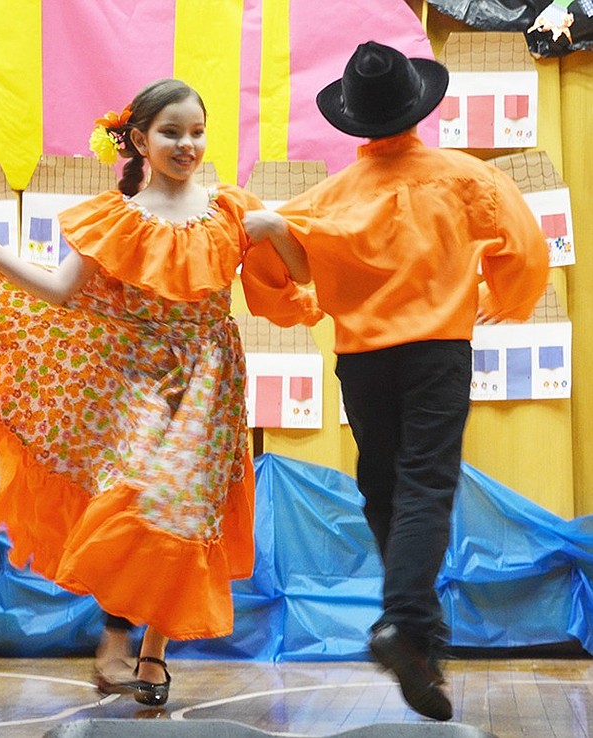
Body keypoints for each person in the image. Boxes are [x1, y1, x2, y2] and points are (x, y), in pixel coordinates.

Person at [0, 78, 321, 705]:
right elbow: (57, 292)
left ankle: (150, 654)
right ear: (139, 140)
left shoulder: (233, 211)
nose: (187, 144)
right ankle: (116, 634)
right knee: (138, 502)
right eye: (171, 132)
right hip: (138, 382)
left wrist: (274, 226)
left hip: (212, 383)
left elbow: (301, 269)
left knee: (188, 517)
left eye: (197, 132)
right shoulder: (114, 219)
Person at [243, 42, 549, 721]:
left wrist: (296, 297)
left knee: (381, 486)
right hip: (437, 354)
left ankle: (420, 637)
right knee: (426, 485)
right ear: (417, 107)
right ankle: (408, 626)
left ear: (354, 118)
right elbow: (524, 247)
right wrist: (507, 294)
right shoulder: (467, 177)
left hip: (363, 363)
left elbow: (275, 260)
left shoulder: (332, 197)